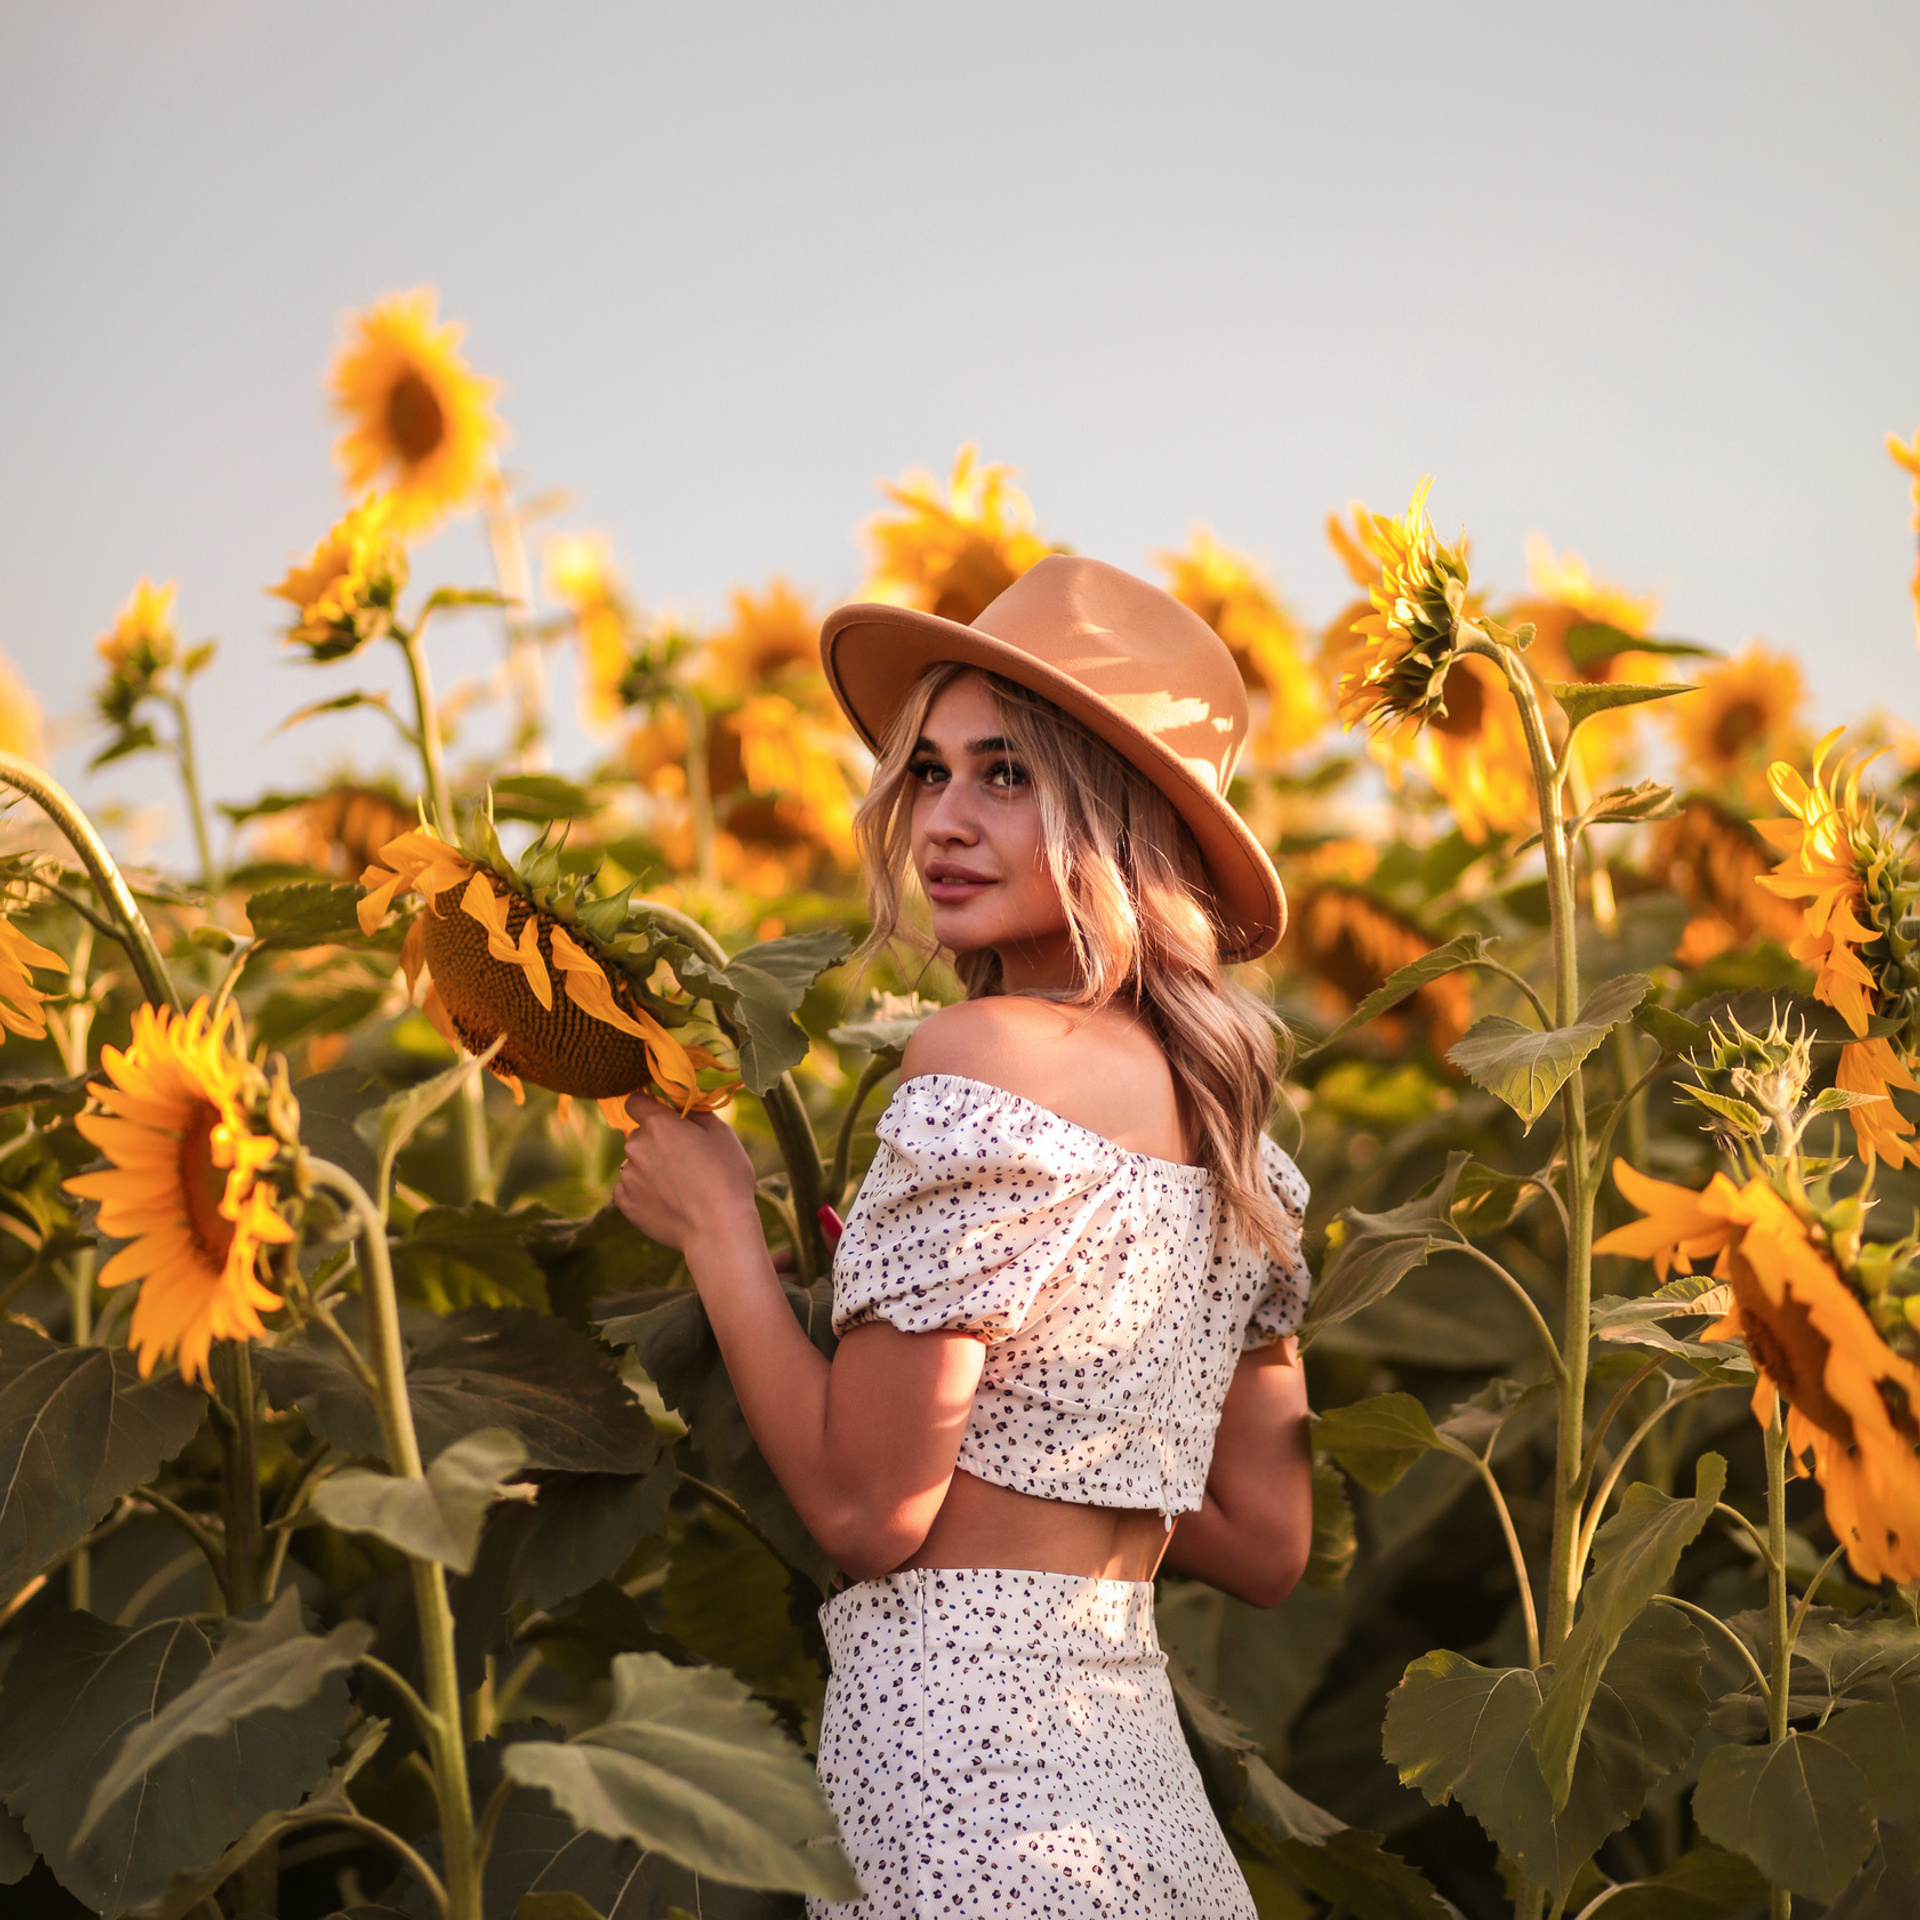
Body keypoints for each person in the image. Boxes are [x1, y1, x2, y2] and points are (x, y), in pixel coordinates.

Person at [612, 555, 1316, 1918]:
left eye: (1007, 773)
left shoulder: (983, 1057)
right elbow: (1263, 1535)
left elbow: (871, 1512)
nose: (943, 817)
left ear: (1121, 816)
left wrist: (718, 1233)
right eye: (927, 771)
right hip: (1144, 1817)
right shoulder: (1245, 1150)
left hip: (961, 1794)